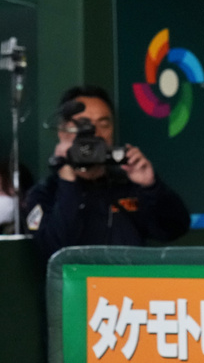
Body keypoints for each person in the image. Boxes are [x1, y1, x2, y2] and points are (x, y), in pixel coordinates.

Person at [24, 86, 191, 260]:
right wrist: (68, 179)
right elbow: (54, 250)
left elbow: (174, 228)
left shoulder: (127, 184)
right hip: (76, 286)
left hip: (127, 285)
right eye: (84, 125)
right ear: (62, 131)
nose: (95, 133)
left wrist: (151, 186)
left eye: (104, 124)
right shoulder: (44, 193)